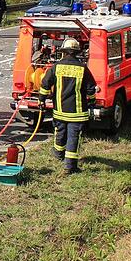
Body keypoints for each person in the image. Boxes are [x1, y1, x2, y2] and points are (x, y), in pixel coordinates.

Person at [39, 38, 97, 174]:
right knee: (73, 137)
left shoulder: (56, 67)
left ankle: (58, 155)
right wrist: (92, 101)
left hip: (59, 111)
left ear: (64, 52)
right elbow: (91, 89)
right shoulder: (83, 68)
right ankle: (70, 167)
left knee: (60, 132)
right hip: (77, 113)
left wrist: (41, 100)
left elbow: (45, 84)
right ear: (77, 52)